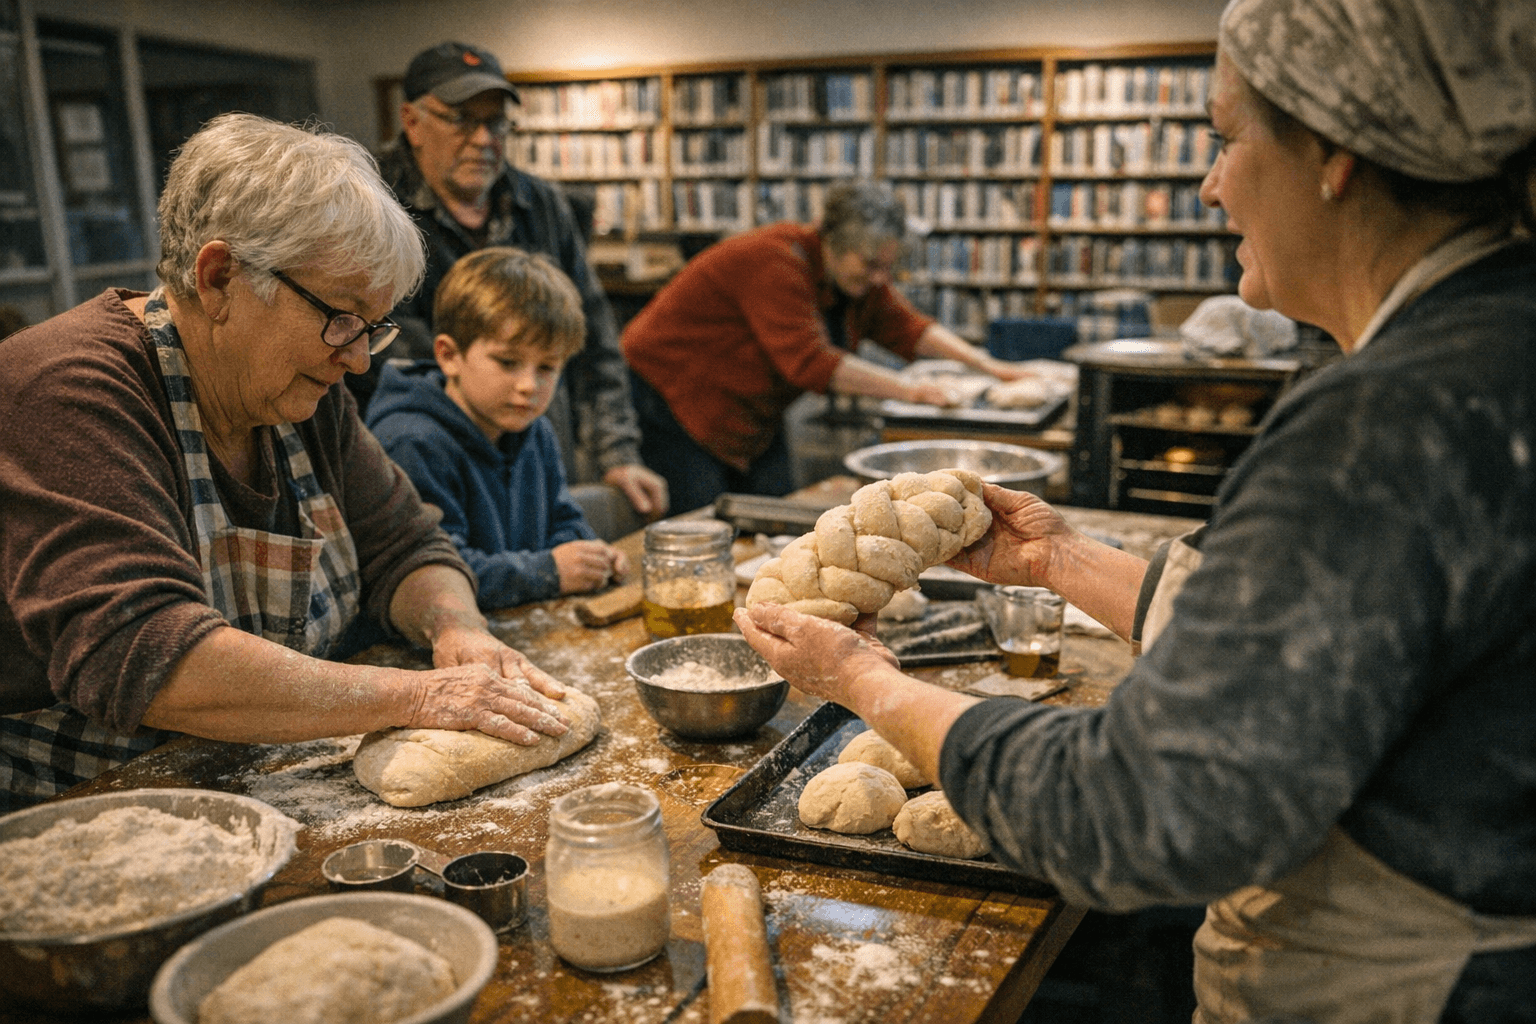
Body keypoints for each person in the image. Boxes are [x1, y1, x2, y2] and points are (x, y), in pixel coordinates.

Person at [735, 1, 1536, 1020]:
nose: (1210, 184)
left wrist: (864, 683)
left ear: (1334, 152)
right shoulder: (1491, 343)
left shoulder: (1389, 414)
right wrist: (1060, 559)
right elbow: (1308, 651)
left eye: (1224, 139)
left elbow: (1142, 808)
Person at [0, 114, 574, 812]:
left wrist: (456, 627)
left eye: (374, 327)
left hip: (253, 779)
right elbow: (140, 650)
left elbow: (405, 543)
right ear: (218, 279)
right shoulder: (64, 388)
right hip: (72, 809)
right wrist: (426, 694)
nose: (360, 358)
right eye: (342, 318)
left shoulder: (306, 390)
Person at [364, 41, 668, 527]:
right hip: (430, 462)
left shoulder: (542, 203)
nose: (484, 139)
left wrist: (618, 453)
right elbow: (379, 346)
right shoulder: (372, 205)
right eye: (462, 119)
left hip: (535, 449)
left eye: (497, 123)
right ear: (412, 122)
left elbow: (592, 338)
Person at [621, 181, 1041, 513]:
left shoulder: (855, 277)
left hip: (749, 414)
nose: (880, 278)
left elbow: (907, 327)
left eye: (887, 267)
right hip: (673, 400)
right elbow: (809, 362)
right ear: (832, 242)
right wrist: (910, 391)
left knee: (774, 513)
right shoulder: (774, 261)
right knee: (707, 520)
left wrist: (988, 364)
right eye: (870, 264)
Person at [366, 247, 629, 610]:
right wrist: (549, 571)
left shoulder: (534, 429)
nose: (528, 386)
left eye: (547, 368)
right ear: (449, 356)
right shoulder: (413, 442)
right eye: (508, 362)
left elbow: (562, 519)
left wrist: (589, 556)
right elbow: (433, 575)